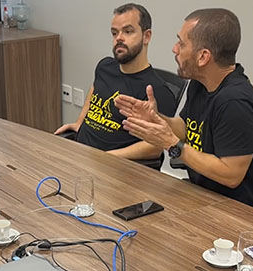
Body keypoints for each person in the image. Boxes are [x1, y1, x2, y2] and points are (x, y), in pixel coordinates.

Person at [115, 8, 253, 209]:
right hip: (201, 196)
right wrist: (156, 118)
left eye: (182, 43)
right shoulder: (201, 83)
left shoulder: (235, 102)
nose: (174, 49)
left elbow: (231, 175)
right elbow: (187, 128)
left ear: (203, 57)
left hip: (235, 211)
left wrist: (172, 145)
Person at [53, 3, 176, 168]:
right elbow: (95, 88)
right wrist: (79, 122)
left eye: (128, 31)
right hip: (79, 155)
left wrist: (105, 158)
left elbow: (154, 147)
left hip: (116, 169)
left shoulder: (156, 91)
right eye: (114, 32)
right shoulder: (105, 66)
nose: (119, 38)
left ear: (146, 36)